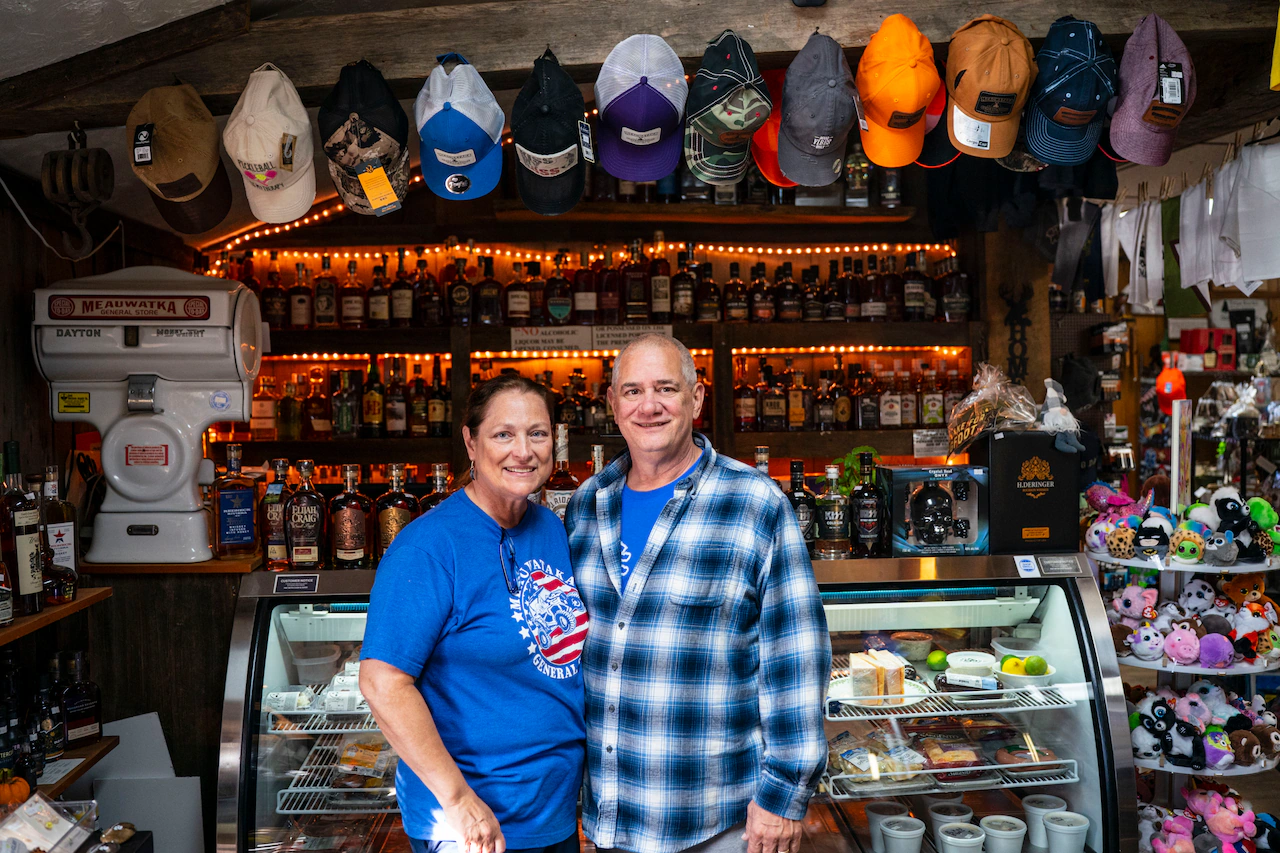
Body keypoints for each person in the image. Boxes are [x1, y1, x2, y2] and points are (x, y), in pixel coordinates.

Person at [565, 333, 831, 853]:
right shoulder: (585, 505)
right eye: (633, 390)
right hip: (611, 817)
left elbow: (795, 655)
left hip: (718, 821)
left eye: (665, 388)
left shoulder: (754, 502)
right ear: (613, 404)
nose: (649, 406)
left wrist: (783, 795)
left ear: (697, 398)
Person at [361, 374, 589, 853]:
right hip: (476, 826)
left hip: (553, 813)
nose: (522, 451)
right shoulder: (429, 546)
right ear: (471, 441)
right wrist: (459, 800)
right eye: (503, 434)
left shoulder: (548, 526)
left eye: (538, 433)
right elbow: (383, 682)